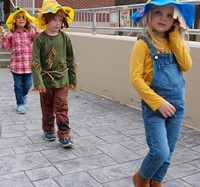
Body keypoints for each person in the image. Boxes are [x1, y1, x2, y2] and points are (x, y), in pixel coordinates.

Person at [129, 0, 195, 186]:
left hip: (177, 105)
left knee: (170, 149)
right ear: (148, 15)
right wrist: (158, 103)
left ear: (175, 21)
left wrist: (175, 37)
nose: (163, 18)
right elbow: (136, 79)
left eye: (169, 15)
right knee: (160, 151)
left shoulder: (175, 42)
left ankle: (157, 180)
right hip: (155, 107)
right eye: (158, 12)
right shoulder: (143, 44)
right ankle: (141, 178)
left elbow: (186, 65)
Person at [31, 0, 77, 148]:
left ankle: (64, 134)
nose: (58, 23)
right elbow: (35, 61)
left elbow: (71, 59)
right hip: (45, 81)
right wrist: (38, 82)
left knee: (62, 106)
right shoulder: (39, 40)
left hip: (62, 79)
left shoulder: (65, 38)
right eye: (54, 19)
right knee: (47, 106)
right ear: (45, 19)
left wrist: (72, 79)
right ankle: (48, 129)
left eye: (60, 19)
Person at [0, 7, 39, 114]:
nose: (21, 20)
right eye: (19, 18)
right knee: (18, 86)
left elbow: (38, 38)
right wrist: (3, 37)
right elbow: (6, 47)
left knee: (28, 84)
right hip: (16, 65)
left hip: (28, 65)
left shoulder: (29, 33)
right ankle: (20, 104)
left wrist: (36, 28)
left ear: (27, 20)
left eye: (24, 18)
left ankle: (23, 95)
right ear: (15, 20)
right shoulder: (11, 34)